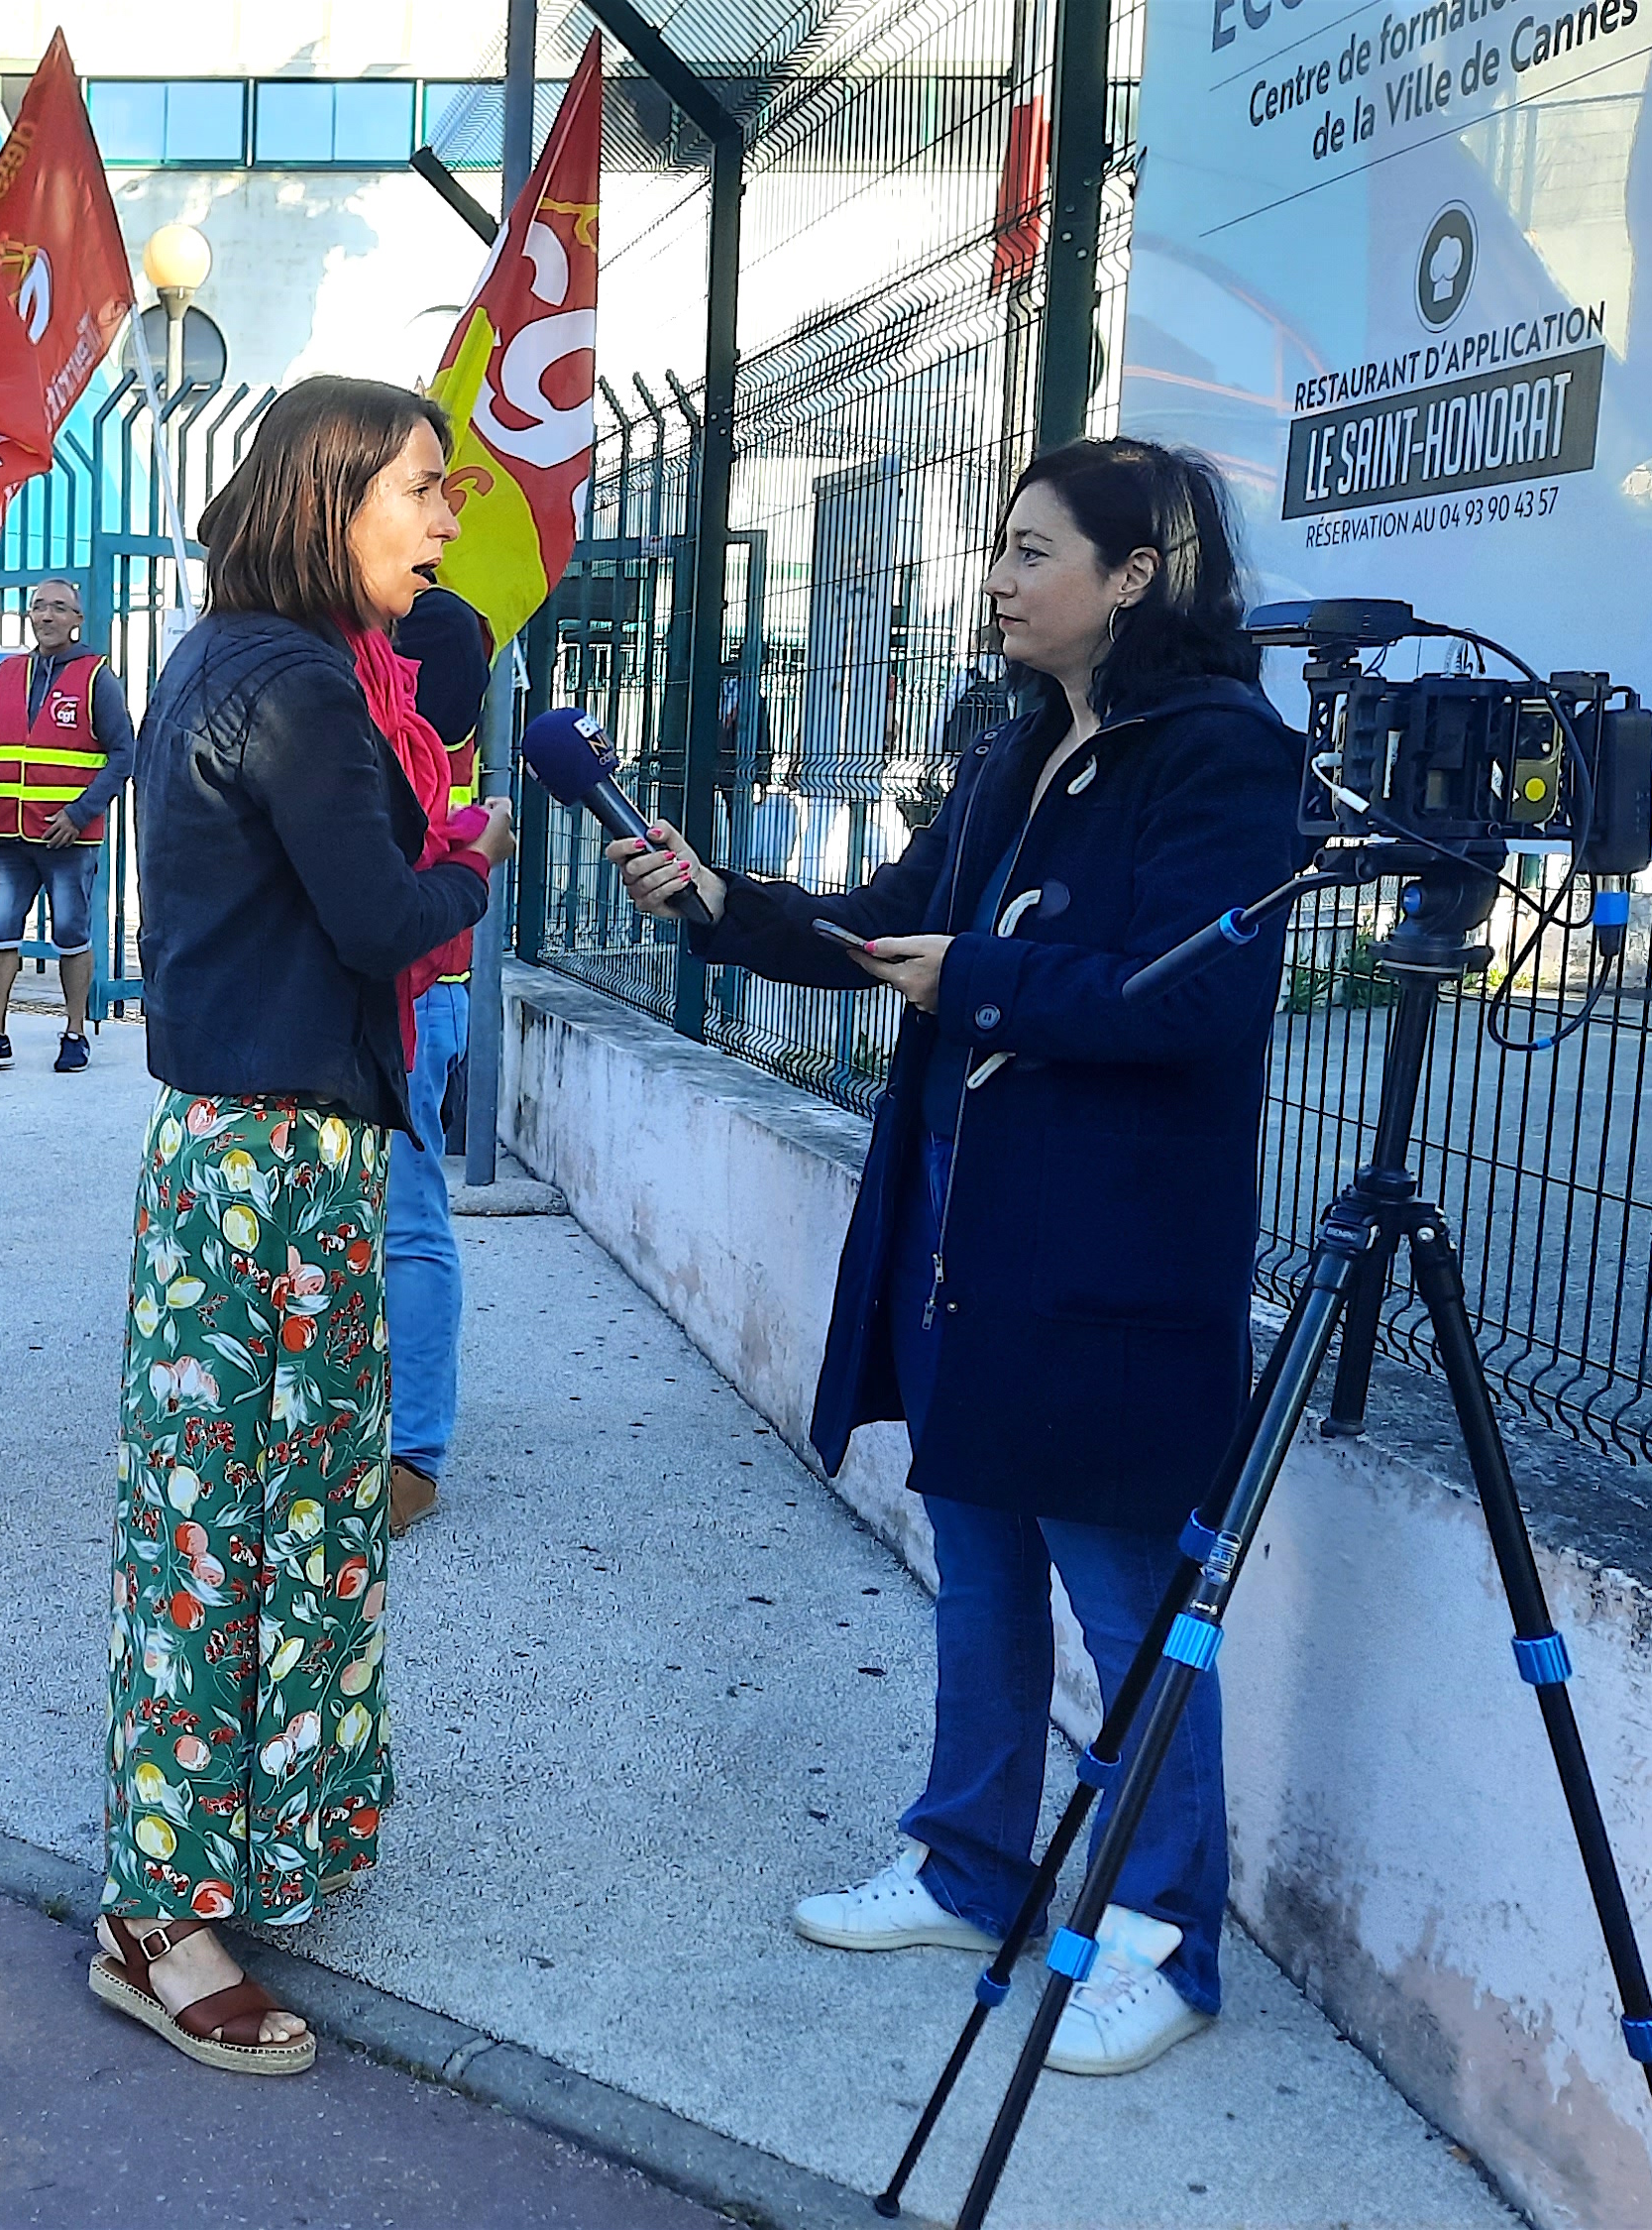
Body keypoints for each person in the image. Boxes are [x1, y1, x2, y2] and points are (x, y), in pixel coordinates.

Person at [610, 436, 1297, 2079]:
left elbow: (1198, 997)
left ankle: (1160, 1939)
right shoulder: (1007, 755)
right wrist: (724, 902)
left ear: (1137, 576)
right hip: (962, 1229)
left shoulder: (1226, 760)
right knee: (978, 1562)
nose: (996, 580)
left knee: (1131, 1604)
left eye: (1031, 552)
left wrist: (981, 982)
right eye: (996, 549)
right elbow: (886, 926)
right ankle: (969, 1864)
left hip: (1110, 1253)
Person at [92, 377, 509, 2075]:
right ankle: (151, 1918)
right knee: (225, 1544)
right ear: (332, 496)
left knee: (275, 1520)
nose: (441, 521)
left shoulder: (227, 660)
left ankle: (243, 1851)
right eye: (420, 487)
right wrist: (475, 856)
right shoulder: (297, 683)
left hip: (249, 1153)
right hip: (272, 1164)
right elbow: (383, 912)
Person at [377, 584, 498, 1537]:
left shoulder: (427, 651)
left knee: (410, 1221)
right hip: (407, 981)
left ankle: (413, 1452)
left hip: (415, 983)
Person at [0, 576, 134, 1076]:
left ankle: (75, 1033)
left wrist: (79, 813)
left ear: (77, 620)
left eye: (59, 608)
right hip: (7, 833)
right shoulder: (7, 675)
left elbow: (124, 754)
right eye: (38, 607)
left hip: (69, 836)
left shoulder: (98, 677)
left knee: (72, 934)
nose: (47, 616)